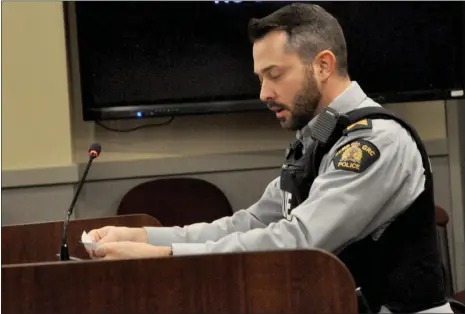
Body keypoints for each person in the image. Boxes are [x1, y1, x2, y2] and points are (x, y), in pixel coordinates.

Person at [85, 3, 453, 313]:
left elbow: (300, 240)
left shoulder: (377, 142)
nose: (264, 92)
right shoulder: (318, 136)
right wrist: (145, 237)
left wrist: (166, 256)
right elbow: (250, 224)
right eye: (261, 78)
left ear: (323, 66)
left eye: (274, 75)